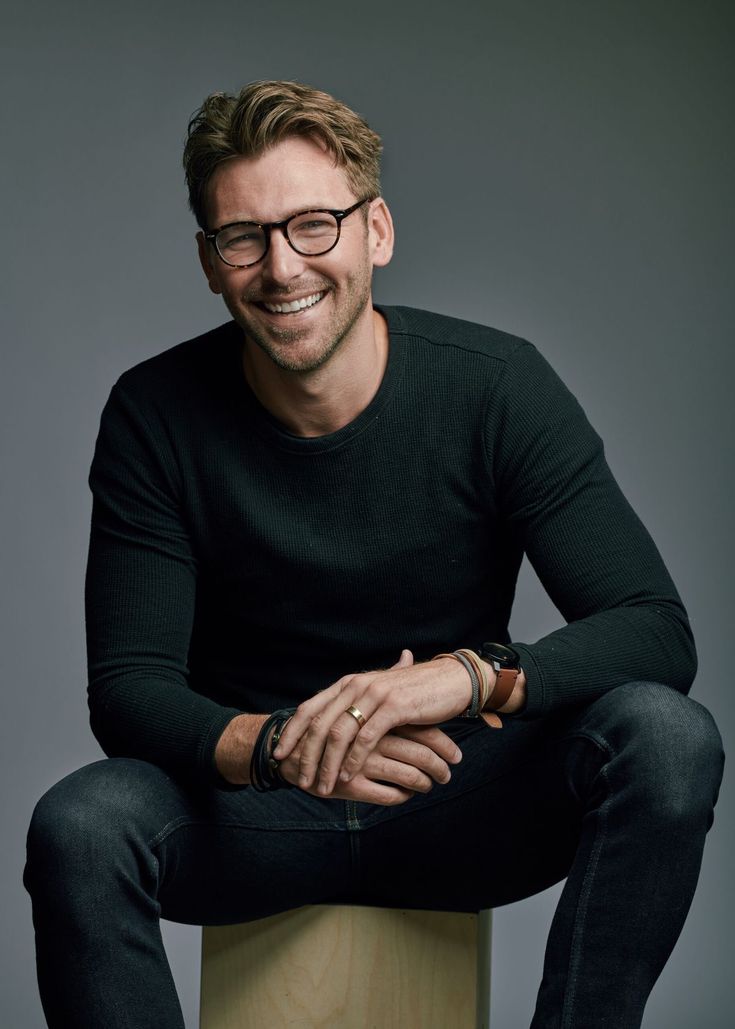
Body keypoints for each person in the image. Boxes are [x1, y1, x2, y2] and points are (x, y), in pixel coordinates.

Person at [25, 80, 724, 1029]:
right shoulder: (156, 413)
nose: (281, 267)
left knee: (667, 737)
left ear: (376, 231)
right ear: (209, 261)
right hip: (251, 813)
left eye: (314, 225)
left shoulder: (496, 386)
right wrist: (275, 746)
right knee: (79, 825)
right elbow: (131, 688)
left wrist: (467, 677)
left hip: (459, 794)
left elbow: (653, 630)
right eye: (245, 237)